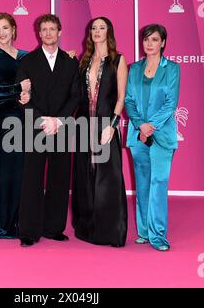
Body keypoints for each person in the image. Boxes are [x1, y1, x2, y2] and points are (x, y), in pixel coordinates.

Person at [16, 14, 80, 247]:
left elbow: (75, 95)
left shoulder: (71, 62)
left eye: (53, 29)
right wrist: (44, 120)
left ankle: (54, 228)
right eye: (44, 29)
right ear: (39, 33)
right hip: (37, 127)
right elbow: (23, 96)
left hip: (62, 129)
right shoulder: (28, 61)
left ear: (59, 32)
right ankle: (29, 231)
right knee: (31, 178)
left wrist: (59, 121)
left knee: (59, 178)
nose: (49, 33)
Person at [72, 17, 128, 247]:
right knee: (85, 176)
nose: (97, 31)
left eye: (101, 28)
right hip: (84, 125)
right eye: (94, 28)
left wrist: (112, 126)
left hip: (106, 126)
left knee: (108, 178)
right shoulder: (82, 61)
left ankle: (111, 231)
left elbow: (121, 97)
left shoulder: (118, 60)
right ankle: (87, 228)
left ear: (109, 32)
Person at [125, 23, 180, 251]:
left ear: (163, 43)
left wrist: (151, 126)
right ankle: (145, 232)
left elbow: (171, 103)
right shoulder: (134, 68)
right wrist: (140, 125)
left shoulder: (172, 69)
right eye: (146, 39)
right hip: (138, 135)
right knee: (143, 183)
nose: (149, 43)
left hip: (162, 134)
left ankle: (158, 235)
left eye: (155, 39)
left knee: (158, 182)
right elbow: (128, 99)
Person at [0, 13, 31, 239]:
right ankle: (3, 227)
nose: (1, 33)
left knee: (20, 170)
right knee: (1, 171)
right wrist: (18, 88)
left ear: (13, 30)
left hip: (21, 117)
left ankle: (21, 222)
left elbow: (34, 86)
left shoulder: (26, 56)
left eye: (5, 28)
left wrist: (28, 95)